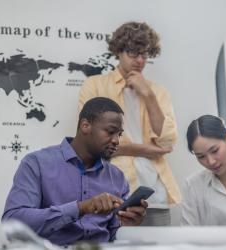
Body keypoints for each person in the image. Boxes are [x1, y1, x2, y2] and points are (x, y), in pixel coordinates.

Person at [2, 97, 147, 246]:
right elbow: (12, 223)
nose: (116, 140)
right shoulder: (36, 164)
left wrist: (129, 226)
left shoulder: (117, 177)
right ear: (85, 126)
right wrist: (81, 208)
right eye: (110, 132)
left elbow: (113, 237)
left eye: (119, 134)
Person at [78, 21, 180, 226]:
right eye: (133, 53)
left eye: (144, 54)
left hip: (156, 194)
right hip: (112, 193)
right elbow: (92, 142)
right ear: (119, 51)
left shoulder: (157, 91)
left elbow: (167, 142)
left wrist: (148, 95)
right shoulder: (95, 85)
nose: (140, 60)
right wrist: (146, 150)